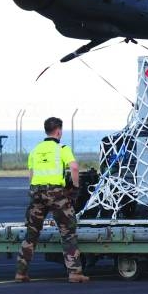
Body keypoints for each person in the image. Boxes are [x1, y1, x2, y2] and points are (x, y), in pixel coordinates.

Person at [15, 116, 89, 283]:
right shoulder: (62, 148)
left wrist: (34, 192)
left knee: (31, 234)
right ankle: (75, 273)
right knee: (68, 233)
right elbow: (74, 167)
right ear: (58, 131)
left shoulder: (35, 150)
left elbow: (31, 174)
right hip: (56, 194)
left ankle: (21, 272)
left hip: (37, 193)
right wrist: (75, 188)